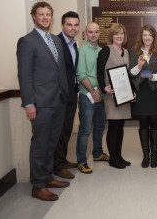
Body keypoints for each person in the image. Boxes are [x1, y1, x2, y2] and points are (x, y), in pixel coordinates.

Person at [17, 1, 70, 201]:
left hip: (58, 101)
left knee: (52, 142)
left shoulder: (55, 41)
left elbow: (61, 71)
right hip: (40, 103)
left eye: (48, 14)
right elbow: (24, 75)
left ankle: (48, 177)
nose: (45, 17)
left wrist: (65, 94)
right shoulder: (27, 42)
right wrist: (29, 103)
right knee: (40, 144)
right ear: (34, 17)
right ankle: (38, 185)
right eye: (41, 14)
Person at [129, 25, 157, 168]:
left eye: (150, 35)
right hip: (141, 90)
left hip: (155, 89)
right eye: (144, 35)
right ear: (141, 37)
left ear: (154, 37)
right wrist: (139, 66)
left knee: (154, 122)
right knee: (143, 122)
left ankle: (154, 156)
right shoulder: (133, 52)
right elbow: (131, 73)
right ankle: (146, 155)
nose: (147, 38)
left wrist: (153, 76)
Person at [97, 23, 132, 169]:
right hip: (111, 97)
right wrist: (104, 88)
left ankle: (119, 156)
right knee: (113, 126)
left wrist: (132, 92)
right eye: (116, 34)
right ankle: (113, 159)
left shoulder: (126, 51)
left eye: (122, 33)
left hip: (123, 96)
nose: (119, 36)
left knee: (121, 126)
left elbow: (128, 74)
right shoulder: (106, 50)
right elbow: (98, 71)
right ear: (112, 36)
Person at [76, 22, 109, 174]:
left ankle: (97, 153)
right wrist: (93, 91)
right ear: (85, 33)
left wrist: (101, 91)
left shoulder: (102, 51)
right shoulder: (81, 50)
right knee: (84, 130)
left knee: (100, 126)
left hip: (101, 95)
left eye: (96, 32)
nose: (94, 34)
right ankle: (81, 161)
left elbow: (104, 74)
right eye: (90, 32)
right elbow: (81, 74)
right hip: (87, 96)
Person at [52, 11, 80, 180]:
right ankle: (57, 166)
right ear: (62, 25)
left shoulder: (74, 44)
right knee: (59, 130)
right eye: (69, 24)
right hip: (60, 95)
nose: (73, 28)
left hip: (71, 93)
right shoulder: (56, 42)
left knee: (67, 129)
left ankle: (62, 159)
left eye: (76, 25)